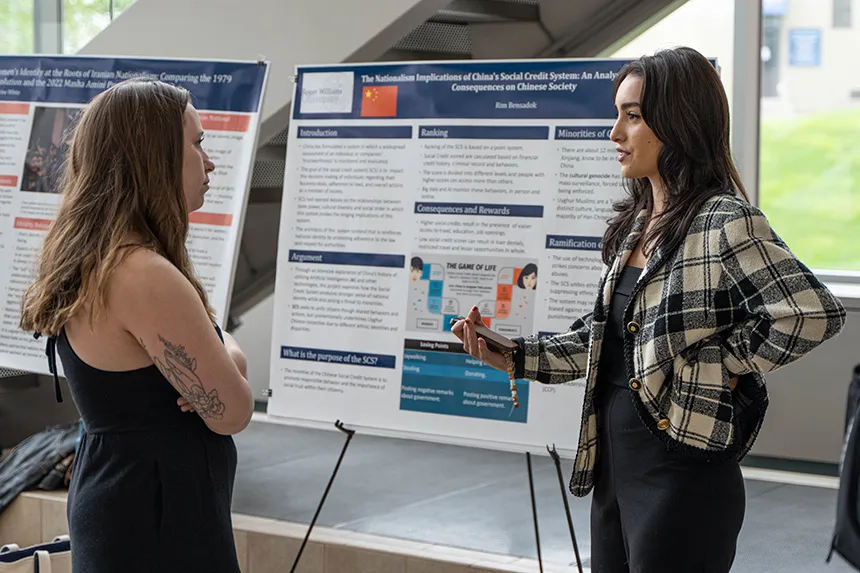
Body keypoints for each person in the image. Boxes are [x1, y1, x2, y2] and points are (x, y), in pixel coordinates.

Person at [453, 47, 847, 572]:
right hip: (615, 469)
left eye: (633, 116)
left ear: (679, 122)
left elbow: (812, 312)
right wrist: (514, 355)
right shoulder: (637, 223)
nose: (615, 132)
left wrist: (718, 364)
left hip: (682, 474)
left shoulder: (723, 221)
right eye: (617, 114)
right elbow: (604, 341)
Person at [19, 79, 254, 572]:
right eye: (197, 144)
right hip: (158, 520)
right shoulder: (144, 274)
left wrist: (218, 353)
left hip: (126, 500)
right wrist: (227, 353)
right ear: (153, 158)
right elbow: (232, 411)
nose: (210, 162)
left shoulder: (97, 256)